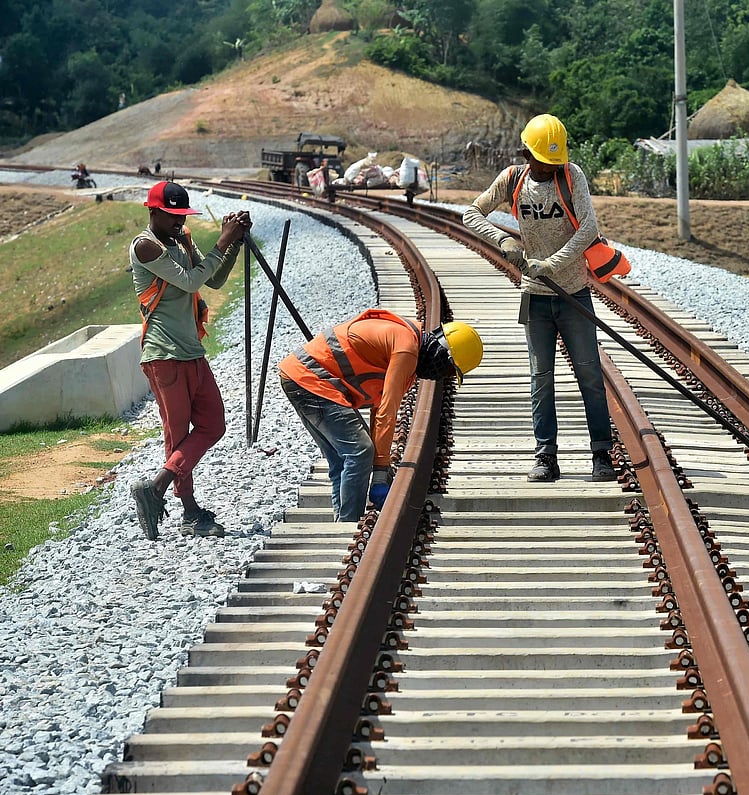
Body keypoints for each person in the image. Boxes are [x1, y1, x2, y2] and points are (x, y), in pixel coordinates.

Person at [462, 113, 617, 483]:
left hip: (574, 293)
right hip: (535, 298)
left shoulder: (571, 176)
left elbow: (589, 229)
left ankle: (601, 454)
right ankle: (545, 456)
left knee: (590, 374)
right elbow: (472, 213)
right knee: (540, 377)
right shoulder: (513, 180)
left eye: (554, 162)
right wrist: (502, 240)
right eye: (543, 162)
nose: (549, 167)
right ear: (527, 155)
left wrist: (551, 263)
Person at [129, 181, 251, 540]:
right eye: (172, 216)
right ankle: (190, 512)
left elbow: (212, 279)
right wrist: (223, 240)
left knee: (213, 424)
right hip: (163, 356)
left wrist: (234, 243)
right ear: (153, 212)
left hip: (192, 353)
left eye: (183, 215)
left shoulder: (180, 238)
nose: (179, 222)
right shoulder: (146, 246)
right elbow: (188, 280)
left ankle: (155, 488)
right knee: (177, 435)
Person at [278, 310, 482, 522]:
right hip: (312, 380)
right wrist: (380, 471)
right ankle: (348, 525)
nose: (441, 376)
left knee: (343, 459)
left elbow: (379, 407)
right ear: (443, 355)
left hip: (301, 376)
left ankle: (342, 522)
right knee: (359, 452)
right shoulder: (407, 350)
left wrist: (380, 468)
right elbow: (387, 410)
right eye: (449, 371)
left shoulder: (408, 345)